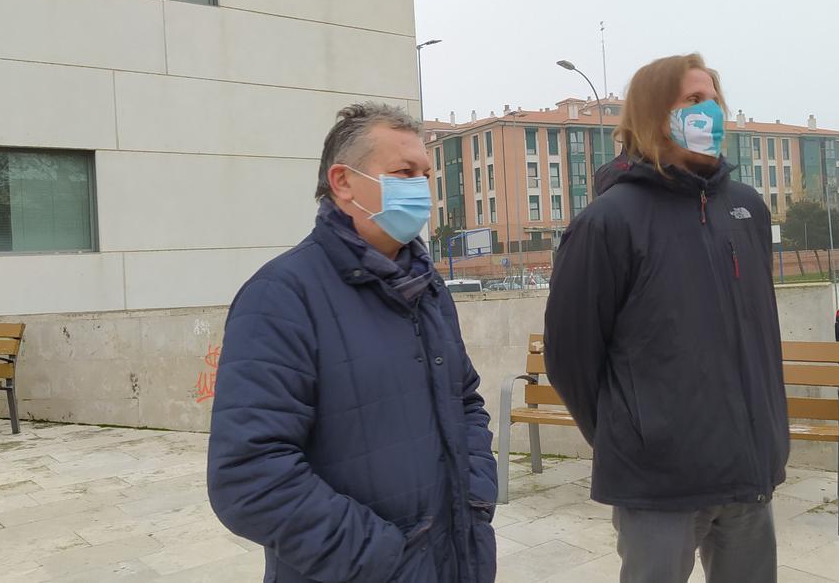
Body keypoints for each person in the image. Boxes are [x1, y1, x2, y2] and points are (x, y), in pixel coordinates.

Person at [207, 103, 498, 583]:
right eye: (404, 172)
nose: (421, 187)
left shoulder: (427, 287)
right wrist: (387, 560)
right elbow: (249, 475)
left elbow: (465, 400)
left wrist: (477, 496)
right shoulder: (281, 297)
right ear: (343, 183)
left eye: (425, 174)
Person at [544, 54, 789, 583]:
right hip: (660, 488)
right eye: (694, 100)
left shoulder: (746, 207)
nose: (712, 112)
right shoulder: (607, 222)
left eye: (715, 100)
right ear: (655, 115)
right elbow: (570, 358)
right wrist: (636, 436)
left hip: (748, 474)